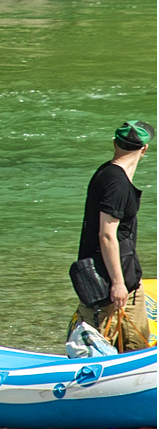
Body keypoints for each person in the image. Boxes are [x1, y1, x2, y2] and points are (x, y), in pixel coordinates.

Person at [73, 120, 153, 353]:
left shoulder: (109, 173)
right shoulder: (116, 183)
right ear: (144, 149)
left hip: (128, 281)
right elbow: (106, 236)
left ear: (114, 143)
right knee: (97, 352)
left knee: (137, 350)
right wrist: (118, 284)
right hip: (107, 286)